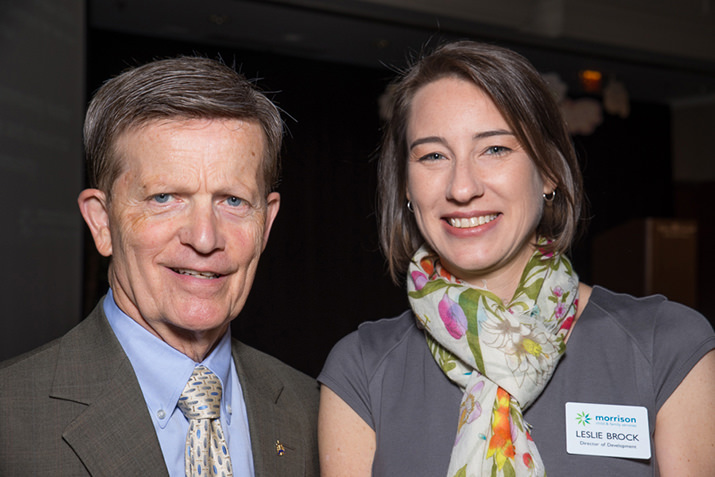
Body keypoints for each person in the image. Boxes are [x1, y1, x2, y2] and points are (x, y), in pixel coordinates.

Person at [317, 41, 715, 477]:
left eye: (495, 149)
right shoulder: (361, 370)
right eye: (433, 155)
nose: (462, 187)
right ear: (407, 189)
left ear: (548, 171)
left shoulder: (667, 347)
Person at [0, 57, 319, 476]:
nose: (204, 239)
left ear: (266, 223)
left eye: (233, 200)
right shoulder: (11, 421)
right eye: (164, 198)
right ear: (102, 222)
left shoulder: (314, 412)